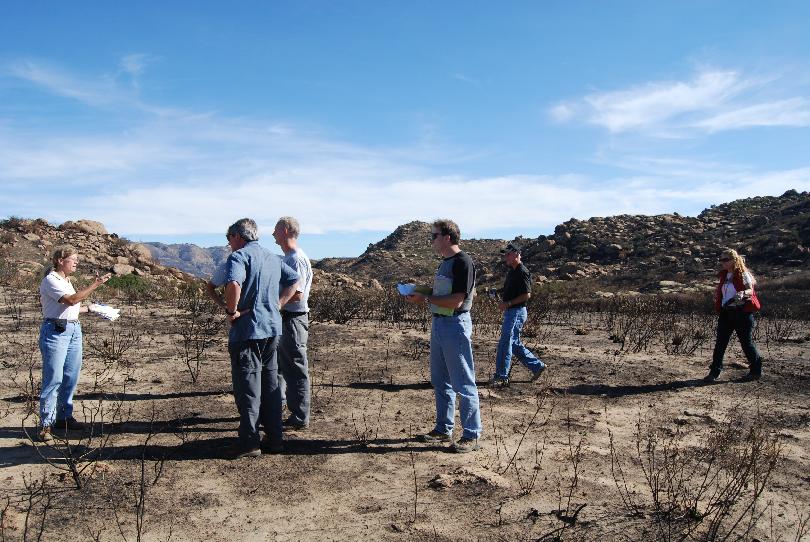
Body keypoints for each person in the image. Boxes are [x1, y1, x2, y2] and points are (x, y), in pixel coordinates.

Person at [222, 218, 299, 459]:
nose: (229, 244)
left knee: (247, 386)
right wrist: (278, 304)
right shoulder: (272, 257)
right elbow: (294, 280)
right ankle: (275, 438)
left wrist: (231, 311)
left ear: (237, 236)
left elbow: (234, 283)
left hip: (248, 331)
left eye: (229, 239)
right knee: (270, 385)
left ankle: (249, 442)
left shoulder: (239, 257)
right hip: (272, 329)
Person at [405, 219, 482, 453]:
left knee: (463, 381)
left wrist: (425, 299)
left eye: (434, 236)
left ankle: (471, 434)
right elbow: (443, 294)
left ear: (447, 237)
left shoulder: (462, 262)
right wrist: (422, 292)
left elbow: (457, 300)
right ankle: (443, 428)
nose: (432, 240)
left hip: (455, 325)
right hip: (440, 324)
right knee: (441, 381)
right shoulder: (445, 263)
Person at [38, 246, 111, 442]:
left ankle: (64, 417)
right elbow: (71, 301)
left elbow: (72, 308)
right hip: (56, 331)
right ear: (60, 260)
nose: (76, 263)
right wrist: (94, 285)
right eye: (73, 259)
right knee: (53, 377)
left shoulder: (67, 282)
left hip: (72, 330)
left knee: (71, 376)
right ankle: (46, 424)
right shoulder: (51, 280)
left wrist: (93, 308)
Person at [272, 216, 313, 430]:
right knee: (280, 366)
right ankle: (277, 408)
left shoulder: (295, 259)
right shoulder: (289, 258)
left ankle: (299, 416)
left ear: (286, 231)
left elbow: (297, 295)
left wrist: (273, 300)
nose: (273, 234)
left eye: (276, 230)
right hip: (286, 319)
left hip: (292, 319)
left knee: (295, 368)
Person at [490, 243, 546, 387]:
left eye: (508, 254)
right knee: (513, 344)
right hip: (512, 312)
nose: (505, 257)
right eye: (505, 255)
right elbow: (510, 289)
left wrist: (508, 304)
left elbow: (526, 294)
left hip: (516, 312)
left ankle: (501, 376)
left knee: (505, 343)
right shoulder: (512, 271)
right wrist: (498, 292)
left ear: (516, 253)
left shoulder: (522, 271)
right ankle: (537, 366)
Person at [705, 248, 763, 382]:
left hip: (742, 312)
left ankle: (756, 370)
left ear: (734, 260)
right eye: (721, 260)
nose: (722, 262)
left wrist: (743, 294)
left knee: (746, 343)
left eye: (726, 259)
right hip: (726, 312)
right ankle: (714, 372)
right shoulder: (724, 275)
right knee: (720, 343)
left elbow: (750, 290)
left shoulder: (743, 274)